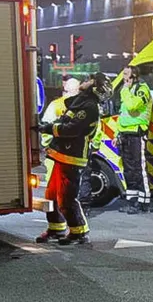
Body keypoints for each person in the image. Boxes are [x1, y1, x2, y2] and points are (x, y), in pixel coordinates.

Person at [35, 73, 112, 245]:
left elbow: (72, 129)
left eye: (90, 79)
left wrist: (48, 128)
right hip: (62, 154)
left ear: (95, 86)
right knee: (52, 195)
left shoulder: (89, 106)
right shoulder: (81, 101)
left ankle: (79, 232)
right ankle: (56, 228)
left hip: (72, 157)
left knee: (66, 197)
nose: (85, 81)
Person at [115, 65, 152, 214]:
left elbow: (131, 107)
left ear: (134, 76)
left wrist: (125, 90)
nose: (123, 76)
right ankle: (132, 202)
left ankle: (144, 203)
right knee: (129, 171)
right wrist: (117, 134)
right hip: (125, 135)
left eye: (126, 74)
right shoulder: (129, 91)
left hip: (137, 134)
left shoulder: (142, 89)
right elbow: (123, 114)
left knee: (139, 170)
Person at [41, 76, 81, 184]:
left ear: (64, 91)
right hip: (76, 153)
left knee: (54, 181)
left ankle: (55, 200)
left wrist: (47, 144)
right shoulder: (85, 106)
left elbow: (46, 127)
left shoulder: (55, 105)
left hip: (56, 151)